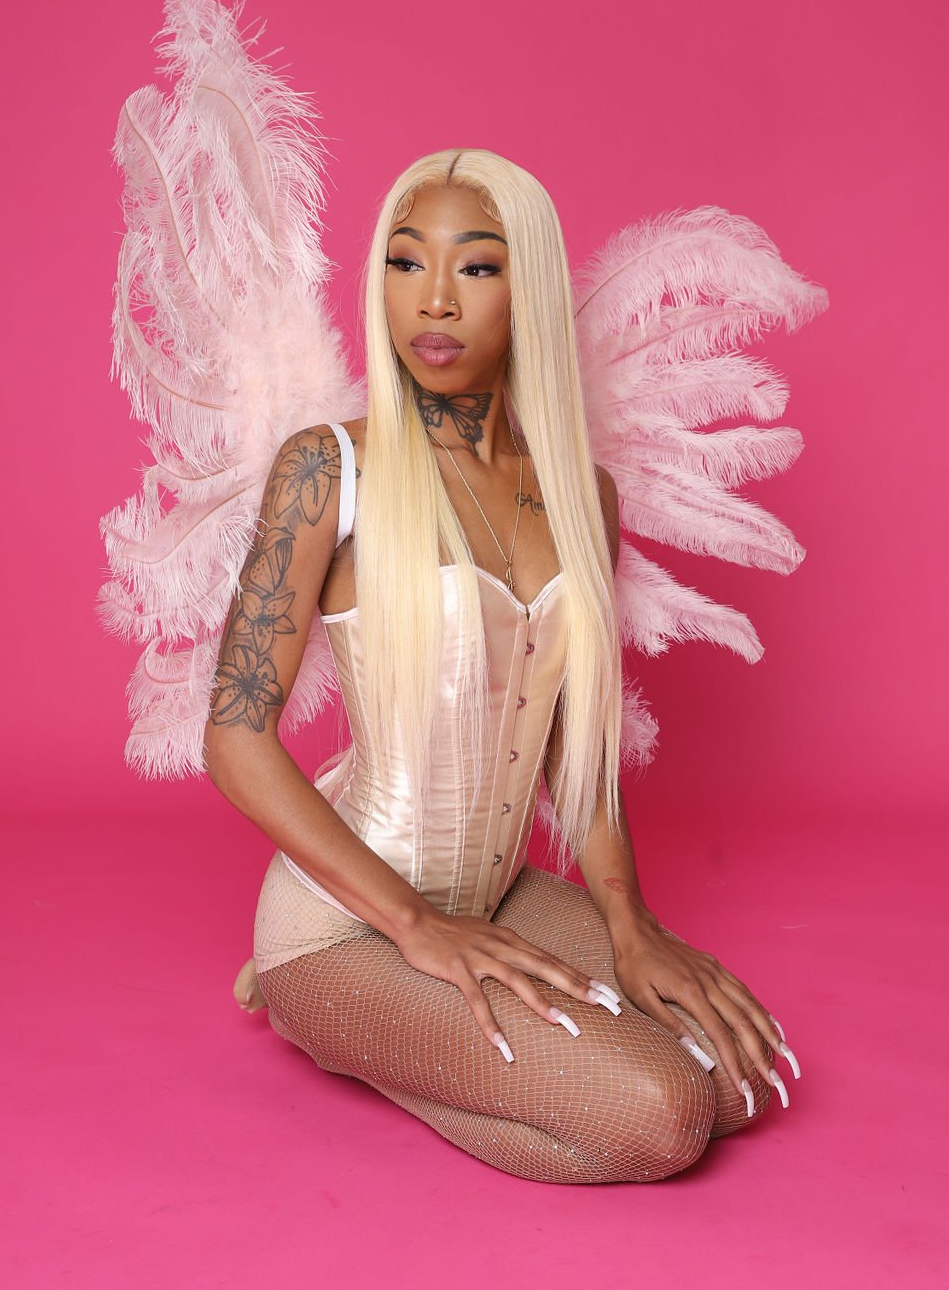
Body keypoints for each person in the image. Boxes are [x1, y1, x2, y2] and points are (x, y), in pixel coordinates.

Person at [203, 149, 800, 1185]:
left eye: (476, 267)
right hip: (343, 926)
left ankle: (430, 1034)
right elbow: (233, 739)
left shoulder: (581, 496)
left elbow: (577, 744)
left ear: (528, 290)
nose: (433, 299)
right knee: (660, 1119)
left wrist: (630, 921)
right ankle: (323, 1018)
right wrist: (415, 925)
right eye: (404, 262)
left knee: (737, 1082)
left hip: (498, 894)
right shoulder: (326, 470)